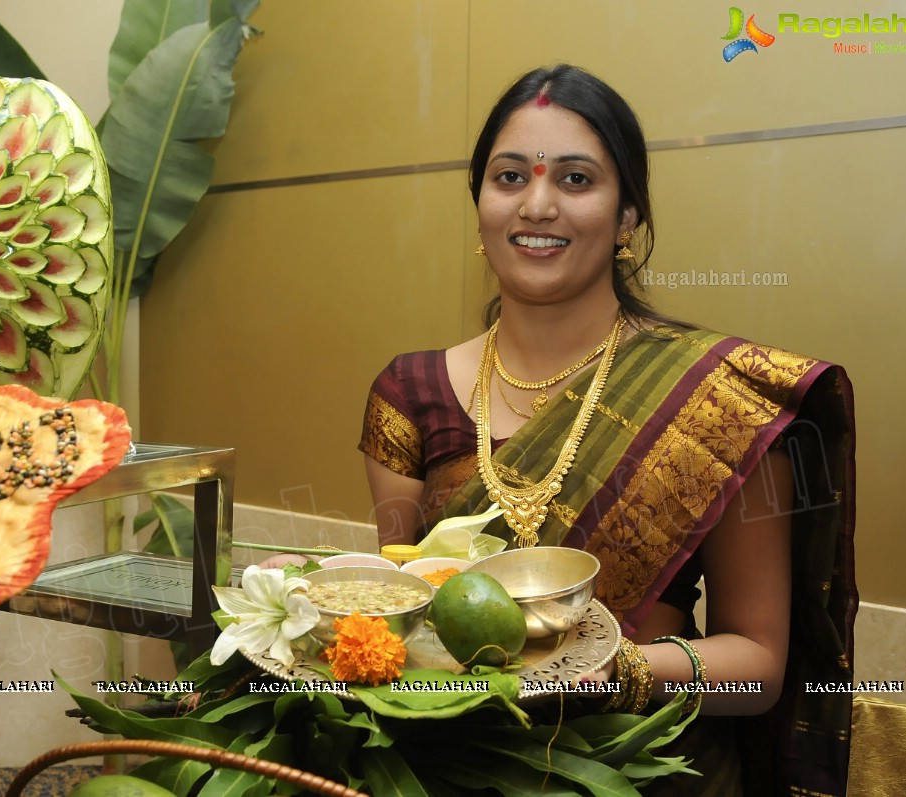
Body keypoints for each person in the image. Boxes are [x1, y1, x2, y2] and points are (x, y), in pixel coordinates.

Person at [359, 64, 856, 796]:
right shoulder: (407, 394)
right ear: (479, 206)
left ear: (627, 217)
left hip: (640, 766)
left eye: (575, 179)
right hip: (451, 764)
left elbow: (756, 668)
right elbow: (412, 619)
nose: (536, 204)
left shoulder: (718, 399)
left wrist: (611, 671)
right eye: (508, 178)